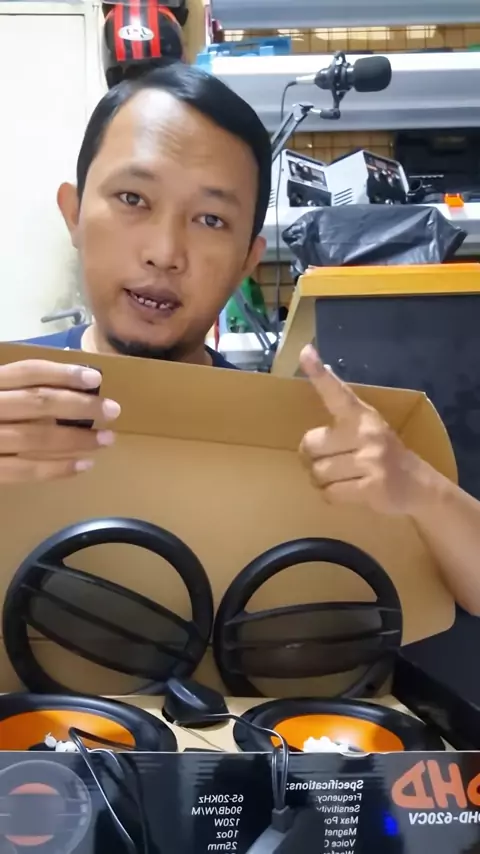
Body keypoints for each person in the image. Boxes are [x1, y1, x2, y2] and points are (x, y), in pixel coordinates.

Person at [1, 62, 480, 615]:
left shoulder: (294, 439)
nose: (165, 252)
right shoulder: (9, 396)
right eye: (133, 198)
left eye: (210, 220)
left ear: (247, 261)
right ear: (74, 213)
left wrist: (418, 487)